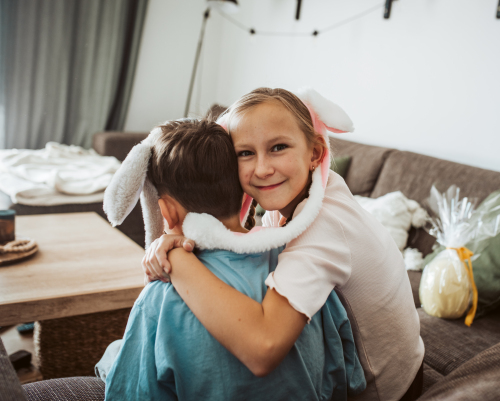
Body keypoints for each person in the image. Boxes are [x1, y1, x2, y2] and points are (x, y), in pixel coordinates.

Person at [144, 88, 425, 401]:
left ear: (315, 153)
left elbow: (262, 348)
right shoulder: (304, 194)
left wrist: (178, 260)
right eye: (245, 153)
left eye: (278, 147)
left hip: (388, 392)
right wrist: (193, 235)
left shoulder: (324, 225)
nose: (262, 169)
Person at [103, 118, 366, 400]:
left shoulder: (160, 296)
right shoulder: (301, 269)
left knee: (110, 358)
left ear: (166, 212)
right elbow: (347, 376)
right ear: (243, 190)